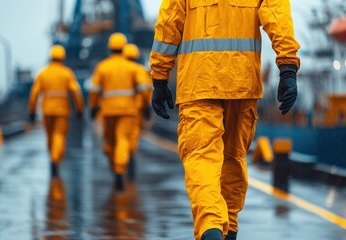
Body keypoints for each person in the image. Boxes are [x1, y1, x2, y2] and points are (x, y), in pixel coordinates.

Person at [149, 1, 300, 240]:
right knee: (232, 158)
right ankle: (228, 230)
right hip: (242, 82)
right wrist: (287, 68)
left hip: (199, 82)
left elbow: (169, 23)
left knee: (202, 157)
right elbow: (277, 16)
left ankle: (211, 228)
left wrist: (159, 77)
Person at [89, 33, 150, 191]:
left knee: (110, 144)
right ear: (124, 48)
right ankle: (120, 169)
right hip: (128, 111)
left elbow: (94, 90)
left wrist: (93, 107)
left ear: (109, 48)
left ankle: (116, 169)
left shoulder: (102, 67)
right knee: (123, 140)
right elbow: (144, 88)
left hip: (107, 112)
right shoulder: (132, 68)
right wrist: (146, 105)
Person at [29, 45, 84, 177]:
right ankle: (55, 159)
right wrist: (79, 109)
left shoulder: (43, 73)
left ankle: (52, 157)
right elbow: (76, 92)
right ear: (62, 57)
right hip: (62, 111)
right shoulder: (67, 73)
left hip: (46, 110)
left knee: (50, 137)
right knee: (59, 136)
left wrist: (31, 111)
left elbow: (34, 93)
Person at [123, 43, 153, 180]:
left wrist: (95, 108)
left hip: (110, 111)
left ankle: (118, 166)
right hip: (133, 111)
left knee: (116, 139)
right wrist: (147, 107)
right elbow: (146, 90)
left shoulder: (106, 67)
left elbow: (96, 92)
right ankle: (128, 158)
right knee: (131, 137)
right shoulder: (140, 71)